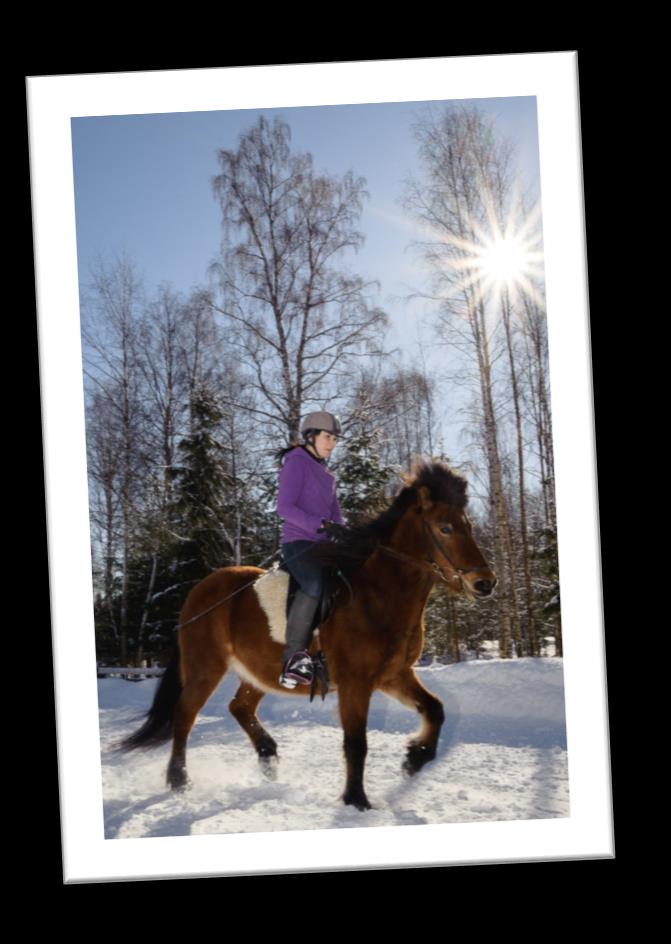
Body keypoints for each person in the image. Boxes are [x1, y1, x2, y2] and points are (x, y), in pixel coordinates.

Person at [275, 411, 346, 689]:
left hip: (324, 547)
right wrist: (320, 525)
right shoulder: (297, 463)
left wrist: (341, 529)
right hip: (298, 543)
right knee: (315, 583)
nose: (332, 443)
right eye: (328, 437)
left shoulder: (328, 476)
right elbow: (285, 508)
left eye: (335, 438)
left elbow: (336, 515)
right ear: (310, 436)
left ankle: (330, 654)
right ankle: (293, 658)